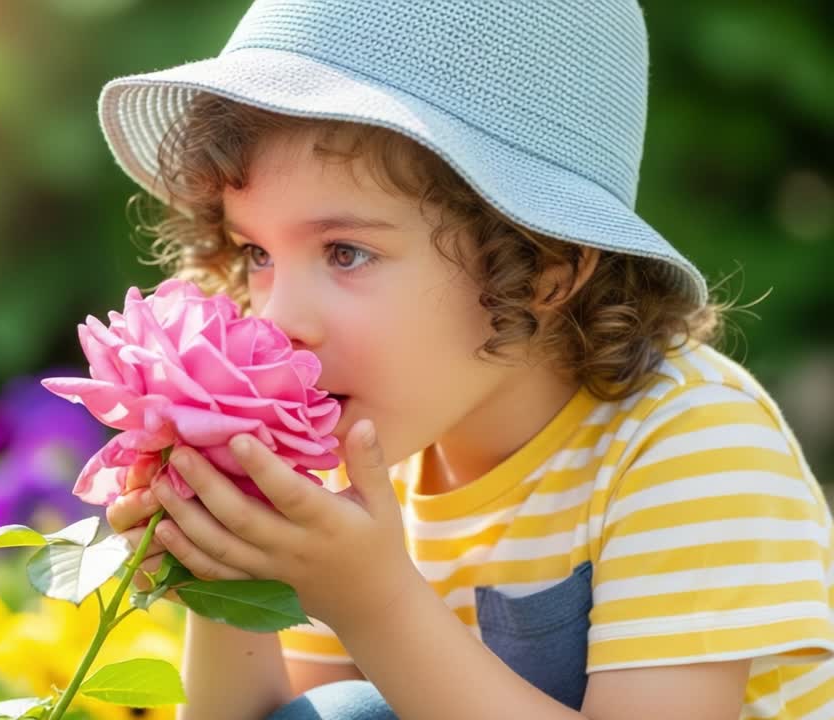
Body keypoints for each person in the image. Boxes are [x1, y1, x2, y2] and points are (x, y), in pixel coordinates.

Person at [100, 2, 833, 718]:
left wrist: (376, 602)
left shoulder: (692, 445)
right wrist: (224, 567)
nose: (279, 318)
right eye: (257, 253)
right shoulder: (368, 452)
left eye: (346, 252)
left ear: (544, 269)